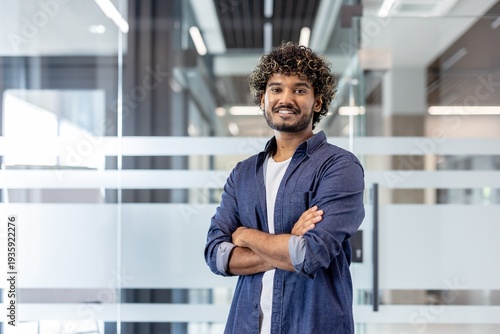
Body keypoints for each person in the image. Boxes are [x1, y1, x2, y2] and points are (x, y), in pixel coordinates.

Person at [204, 41, 365, 334]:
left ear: (317, 102)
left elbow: (310, 256)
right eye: (276, 89)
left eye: (300, 89)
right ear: (263, 98)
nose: (286, 98)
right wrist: (288, 240)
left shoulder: (339, 166)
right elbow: (216, 255)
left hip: (313, 325)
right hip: (245, 325)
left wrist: (245, 235)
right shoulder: (243, 174)